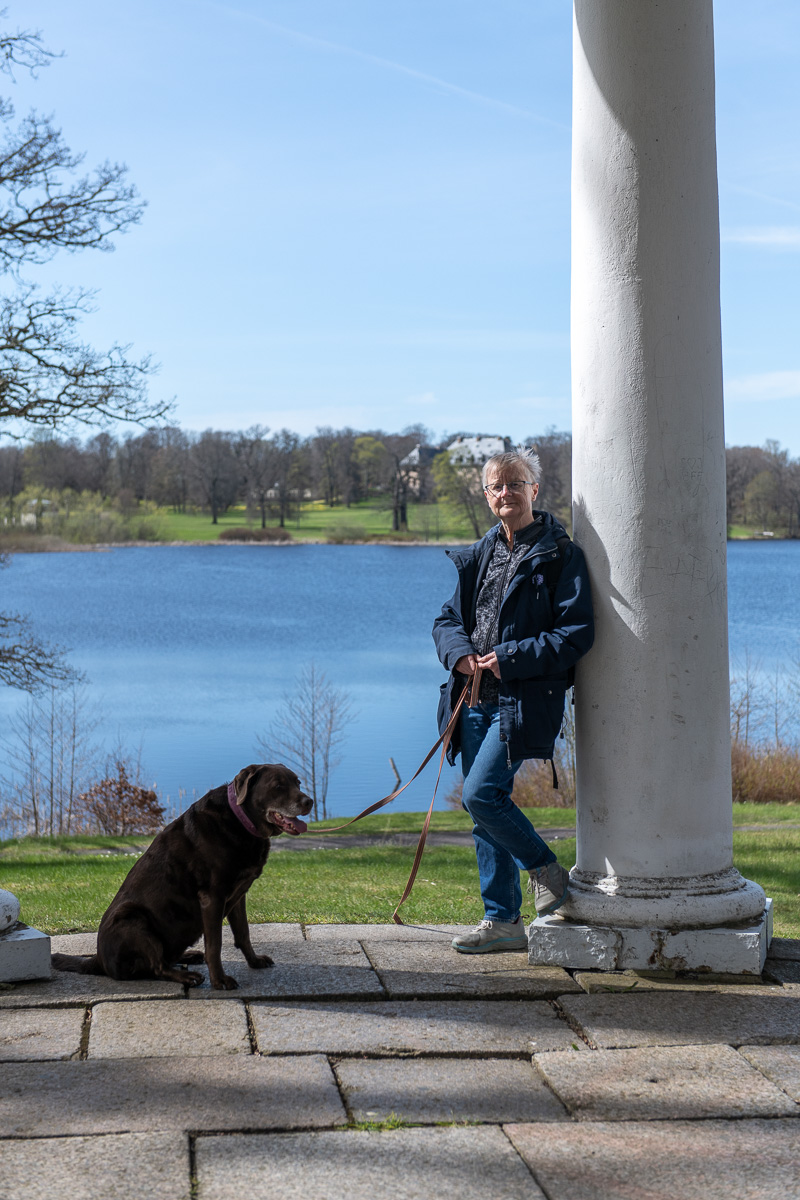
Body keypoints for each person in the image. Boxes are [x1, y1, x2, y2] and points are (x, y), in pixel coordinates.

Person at [432, 449, 594, 953]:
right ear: (487, 496)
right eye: (496, 487)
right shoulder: (480, 553)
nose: (506, 494)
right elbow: (446, 622)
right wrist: (460, 656)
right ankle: (502, 921)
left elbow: (575, 635)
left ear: (534, 490)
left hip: (521, 699)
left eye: (515, 484)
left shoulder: (559, 553)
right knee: (484, 815)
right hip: (472, 698)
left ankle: (548, 873)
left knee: (482, 795)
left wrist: (509, 656)